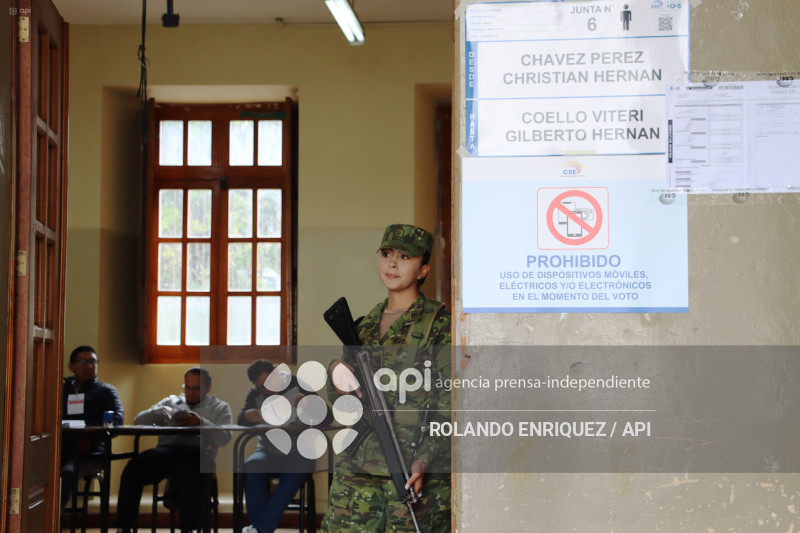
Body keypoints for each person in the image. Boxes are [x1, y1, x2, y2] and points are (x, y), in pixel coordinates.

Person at [322, 223, 452, 532]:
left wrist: (424, 458)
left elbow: (452, 406)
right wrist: (334, 373)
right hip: (357, 472)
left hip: (411, 471)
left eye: (405, 257)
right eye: (386, 253)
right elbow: (341, 401)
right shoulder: (363, 327)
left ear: (423, 270)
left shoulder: (440, 325)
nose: (392, 263)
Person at [115, 367, 232, 533]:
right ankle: (123, 526)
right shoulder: (171, 400)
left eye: (196, 388)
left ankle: (188, 527)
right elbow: (138, 421)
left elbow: (225, 438)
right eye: (187, 387)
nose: (190, 393)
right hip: (167, 450)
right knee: (133, 467)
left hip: (197, 452)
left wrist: (201, 423)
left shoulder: (220, 407)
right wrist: (161, 412)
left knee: (190, 466)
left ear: (208, 388)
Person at [238, 359, 311, 533]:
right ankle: (261, 528)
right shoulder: (255, 394)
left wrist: (310, 405)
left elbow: (328, 417)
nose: (268, 389)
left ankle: (260, 528)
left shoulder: (298, 384)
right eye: (262, 387)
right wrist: (248, 416)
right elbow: (241, 419)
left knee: (294, 472)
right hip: (267, 451)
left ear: (277, 373)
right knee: (251, 466)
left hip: (300, 450)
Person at [61, 345, 124, 509]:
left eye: (93, 362)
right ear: (71, 366)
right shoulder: (60, 390)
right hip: (60, 447)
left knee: (67, 473)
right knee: (34, 472)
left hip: (92, 452)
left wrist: (90, 437)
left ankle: (50, 523)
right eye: (83, 361)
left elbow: (116, 421)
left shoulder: (106, 391)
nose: (89, 366)